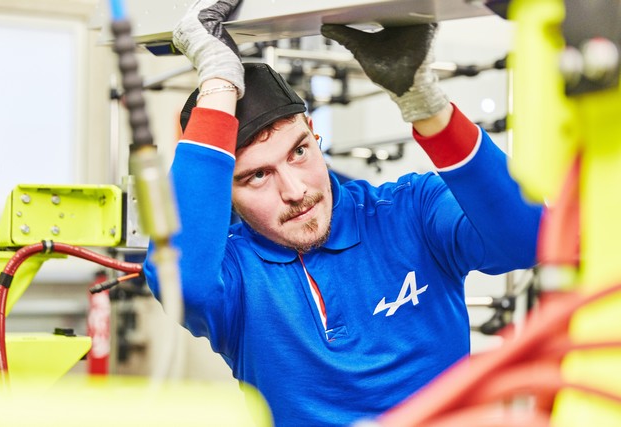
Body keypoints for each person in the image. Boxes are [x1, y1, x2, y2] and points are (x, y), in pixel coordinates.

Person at [143, 1, 542, 426]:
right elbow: (180, 282)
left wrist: (428, 106)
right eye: (258, 176)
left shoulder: (411, 210)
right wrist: (218, 79)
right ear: (225, 192)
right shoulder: (236, 276)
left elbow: (526, 239)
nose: (295, 191)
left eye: (299, 152)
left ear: (316, 138)